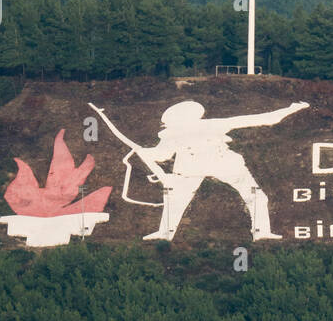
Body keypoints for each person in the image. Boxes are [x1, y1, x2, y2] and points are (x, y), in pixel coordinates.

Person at [123, 98, 308, 241]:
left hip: (211, 164)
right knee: (255, 196)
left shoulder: (175, 132)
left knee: (254, 195)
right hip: (208, 165)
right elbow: (265, 119)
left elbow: (160, 156)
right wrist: (292, 108)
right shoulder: (184, 131)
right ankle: (261, 232)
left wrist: (148, 155)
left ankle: (261, 232)